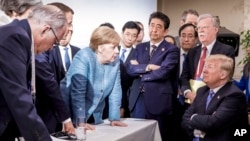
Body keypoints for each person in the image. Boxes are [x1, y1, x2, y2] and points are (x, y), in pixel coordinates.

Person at [0, 5, 68, 141]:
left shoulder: (17, 34)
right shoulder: (16, 37)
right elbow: (19, 97)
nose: (50, 49)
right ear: (45, 29)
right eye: (55, 42)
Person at [60, 26, 127, 128]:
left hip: (94, 114)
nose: (117, 51)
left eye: (118, 47)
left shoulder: (116, 61)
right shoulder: (83, 56)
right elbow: (78, 93)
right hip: (70, 112)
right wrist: (80, 121)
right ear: (100, 48)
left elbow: (115, 91)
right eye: (113, 47)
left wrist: (114, 118)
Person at [127, 11, 179, 141]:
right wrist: (148, 67)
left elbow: (164, 72)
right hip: (137, 99)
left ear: (165, 31)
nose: (154, 30)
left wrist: (141, 73)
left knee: (156, 137)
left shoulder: (171, 49)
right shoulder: (139, 47)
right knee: (135, 137)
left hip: (158, 101)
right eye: (152, 25)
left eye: (158, 26)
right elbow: (129, 69)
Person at [182, 54, 249, 141]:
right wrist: (198, 131)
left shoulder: (234, 95)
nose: (204, 71)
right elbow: (185, 119)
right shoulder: (202, 91)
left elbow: (213, 123)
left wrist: (193, 117)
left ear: (223, 75)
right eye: (205, 67)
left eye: (210, 67)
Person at [35, 2, 77, 134]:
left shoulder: (53, 46)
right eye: (68, 23)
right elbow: (49, 82)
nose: (69, 28)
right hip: (38, 116)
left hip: (52, 116)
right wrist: (66, 119)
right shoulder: (39, 46)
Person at [180, 14, 235, 104]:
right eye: (198, 28)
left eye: (204, 27)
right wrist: (188, 93)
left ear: (215, 29)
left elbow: (225, 78)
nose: (200, 31)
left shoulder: (226, 50)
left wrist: (203, 95)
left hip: (212, 101)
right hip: (191, 100)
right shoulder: (192, 51)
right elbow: (184, 77)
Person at [174, 23, 198, 141]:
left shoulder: (199, 56)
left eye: (190, 36)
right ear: (179, 38)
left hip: (193, 101)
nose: (186, 39)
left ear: (196, 39)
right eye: (183, 35)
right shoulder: (171, 54)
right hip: (172, 102)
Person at [48, 2, 80, 85]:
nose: (68, 28)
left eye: (70, 24)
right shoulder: (44, 53)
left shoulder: (80, 53)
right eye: (66, 23)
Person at [119, 21, 141, 118]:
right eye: (127, 34)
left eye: (133, 35)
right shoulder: (112, 49)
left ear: (137, 37)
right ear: (122, 33)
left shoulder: (139, 54)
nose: (130, 38)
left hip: (127, 97)